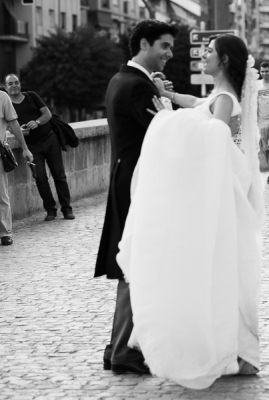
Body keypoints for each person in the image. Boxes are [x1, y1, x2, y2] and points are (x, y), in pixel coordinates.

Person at [116, 33, 264, 389]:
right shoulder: (219, 95)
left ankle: (234, 350)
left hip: (223, 191)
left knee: (222, 265)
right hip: (220, 186)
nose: (203, 56)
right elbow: (197, 103)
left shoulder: (226, 98)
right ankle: (236, 349)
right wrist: (169, 97)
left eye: (209, 52)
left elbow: (213, 135)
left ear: (224, 61)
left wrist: (168, 119)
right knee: (224, 265)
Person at [94, 19, 179, 376]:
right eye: (164, 46)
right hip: (137, 186)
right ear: (144, 44)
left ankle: (117, 346)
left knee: (133, 266)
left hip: (125, 180)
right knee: (136, 267)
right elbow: (166, 136)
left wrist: (158, 90)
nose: (170, 54)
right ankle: (121, 353)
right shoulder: (137, 88)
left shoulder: (122, 80)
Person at [4, 74, 75, 221]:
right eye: (10, 84)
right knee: (41, 178)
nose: (14, 85)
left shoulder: (31, 96)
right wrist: (19, 131)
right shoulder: (6, 104)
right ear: (6, 87)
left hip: (50, 140)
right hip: (32, 147)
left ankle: (67, 209)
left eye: (16, 82)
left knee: (59, 175)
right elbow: (9, 125)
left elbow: (47, 114)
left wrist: (37, 122)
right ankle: (51, 210)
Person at [1, 91, 33, 246]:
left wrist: (25, 148)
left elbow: (13, 124)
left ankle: (5, 232)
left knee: (1, 194)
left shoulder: (2, 97)